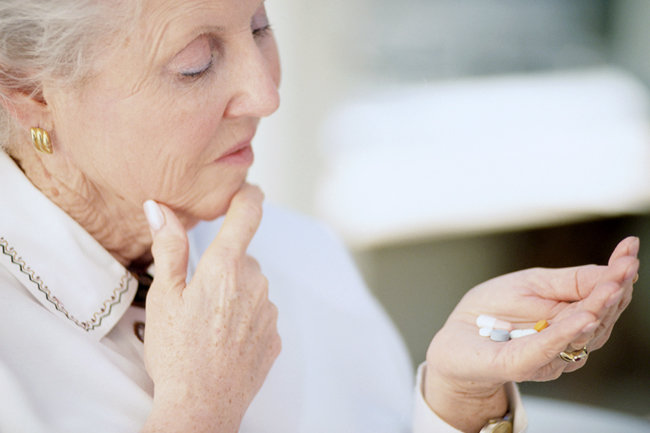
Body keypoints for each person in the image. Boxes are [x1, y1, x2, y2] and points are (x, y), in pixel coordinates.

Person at [0, 0, 639, 432]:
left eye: (259, 27)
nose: (266, 94)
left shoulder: (297, 251)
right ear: (30, 95)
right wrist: (198, 414)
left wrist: (460, 400)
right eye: (195, 63)